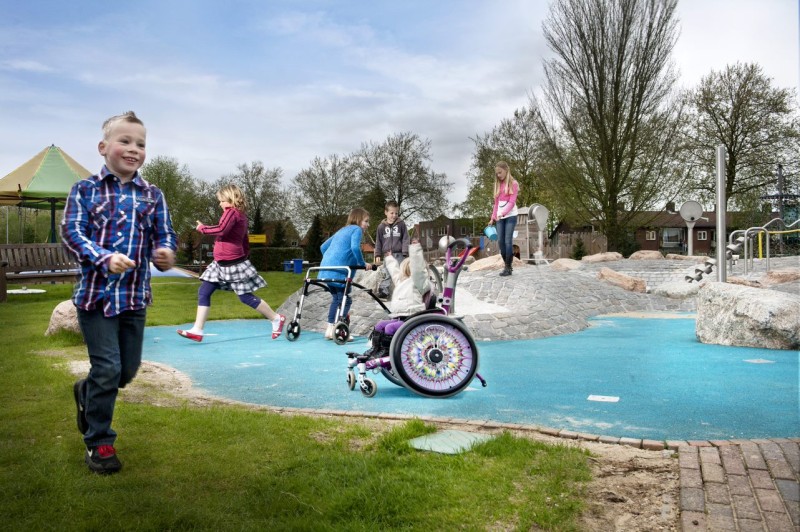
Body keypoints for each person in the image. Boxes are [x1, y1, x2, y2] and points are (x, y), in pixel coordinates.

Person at [62, 111, 177, 474]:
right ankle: (99, 442)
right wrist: (103, 257)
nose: (133, 149)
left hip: (134, 298)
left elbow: (165, 235)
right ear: (103, 147)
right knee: (108, 367)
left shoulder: (153, 195)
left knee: (125, 372)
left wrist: (165, 253)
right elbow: (72, 233)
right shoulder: (85, 190)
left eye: (140, 144)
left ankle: (88, 391)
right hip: (96, 298)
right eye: (125, 141)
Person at [177, 184, 285, 342]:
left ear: (230, 199)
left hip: (231, 263)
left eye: (221, 200)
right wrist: (245, 253)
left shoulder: (232, 212)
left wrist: (202, 228)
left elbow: (221, 230)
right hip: (220, 263)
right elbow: (244, 239)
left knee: (245, 297)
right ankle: (197, 330)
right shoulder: (240, 215)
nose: (220, 204)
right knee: (204, 291)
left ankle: (276, 318)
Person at [364, 241, 430, 358]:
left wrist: (415, 249)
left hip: (412, 318)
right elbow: (394, 272)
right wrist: (389, 258)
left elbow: (418, 270)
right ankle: (376, 348)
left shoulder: (419, 283)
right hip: (402, 317)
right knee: (380, 325)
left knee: (390, 328)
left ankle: (388, 352)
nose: (401, 272)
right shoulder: (401, 282)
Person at [319, 208, 374, 340]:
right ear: (358, 220)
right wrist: (362, 263)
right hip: (339, 273)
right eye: (366, 221)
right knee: (346, 300)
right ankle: (340, 328)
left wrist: (331, 260)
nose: (368, 224)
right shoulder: (356, 230)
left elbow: (323, 247)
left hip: (325, 271)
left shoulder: (342, 230)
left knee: (336, 300)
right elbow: (355, 248)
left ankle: (330, 329)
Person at [488, 161, 519, 276]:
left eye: (500, 172)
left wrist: (504, 213)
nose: (498, 175)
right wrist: (493, 217)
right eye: (496, 173)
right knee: (500, 241)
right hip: (500, 216)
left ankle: (508, 267)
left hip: (510, 216)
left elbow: (512, 202)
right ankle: (507, 264)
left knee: (507, 241)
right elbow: (496, 204)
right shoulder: (497, 185)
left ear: (506, 170)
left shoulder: (514, 184)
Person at [373, 200, 409, 299]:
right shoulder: (381, 227)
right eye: (391, 213)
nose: (394, 215)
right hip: (387, 255)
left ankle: (403, 293)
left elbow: (406, 238)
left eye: (396, 213)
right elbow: (378, 242)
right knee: (386, 273)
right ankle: (384, 292)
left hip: (400, 254)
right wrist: (377, 255)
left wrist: (405, 252)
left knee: (402, 273)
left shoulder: (401, 224)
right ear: (386, 212)